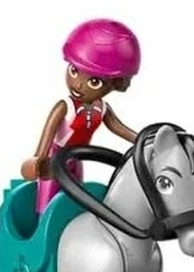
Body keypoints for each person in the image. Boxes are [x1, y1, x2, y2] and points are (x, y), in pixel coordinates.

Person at [22, 19, 141, 213]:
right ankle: (40, 227)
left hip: (76, 158)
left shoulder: (102, 108)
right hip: (53, 161)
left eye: (94, 81)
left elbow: (118, 128)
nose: (78, 84)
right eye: (74, 71)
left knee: (76, 203)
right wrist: (38, 158)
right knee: (47, 205)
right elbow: (49, 133)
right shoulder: (65, 106)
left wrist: (142, 140)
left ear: (115, 83)